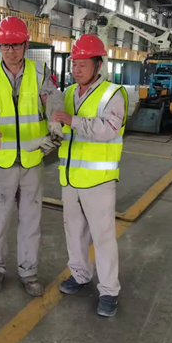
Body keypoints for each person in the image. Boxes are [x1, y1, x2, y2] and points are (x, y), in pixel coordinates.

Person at [0, 16, 63, 296]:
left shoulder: (40, 73)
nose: (10, 51)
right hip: (0, 161)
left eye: (15, 45)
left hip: (32, 160)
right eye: (4, 45)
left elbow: (54, 99)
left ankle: (29, 272)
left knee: (31, 220)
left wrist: (55, 122)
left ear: (26, 45)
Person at [51, 34, 128, 317]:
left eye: (83, 64)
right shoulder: (69, 93)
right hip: (70, 178)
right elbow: (62, 130)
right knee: (74, 231)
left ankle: (108, 290)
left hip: (98, 180)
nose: (77, 69)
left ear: (98, 65)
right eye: (74, 63)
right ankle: (80, 274)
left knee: (103, 236)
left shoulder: (113, 94)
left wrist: (71, 120)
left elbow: (108, 129)